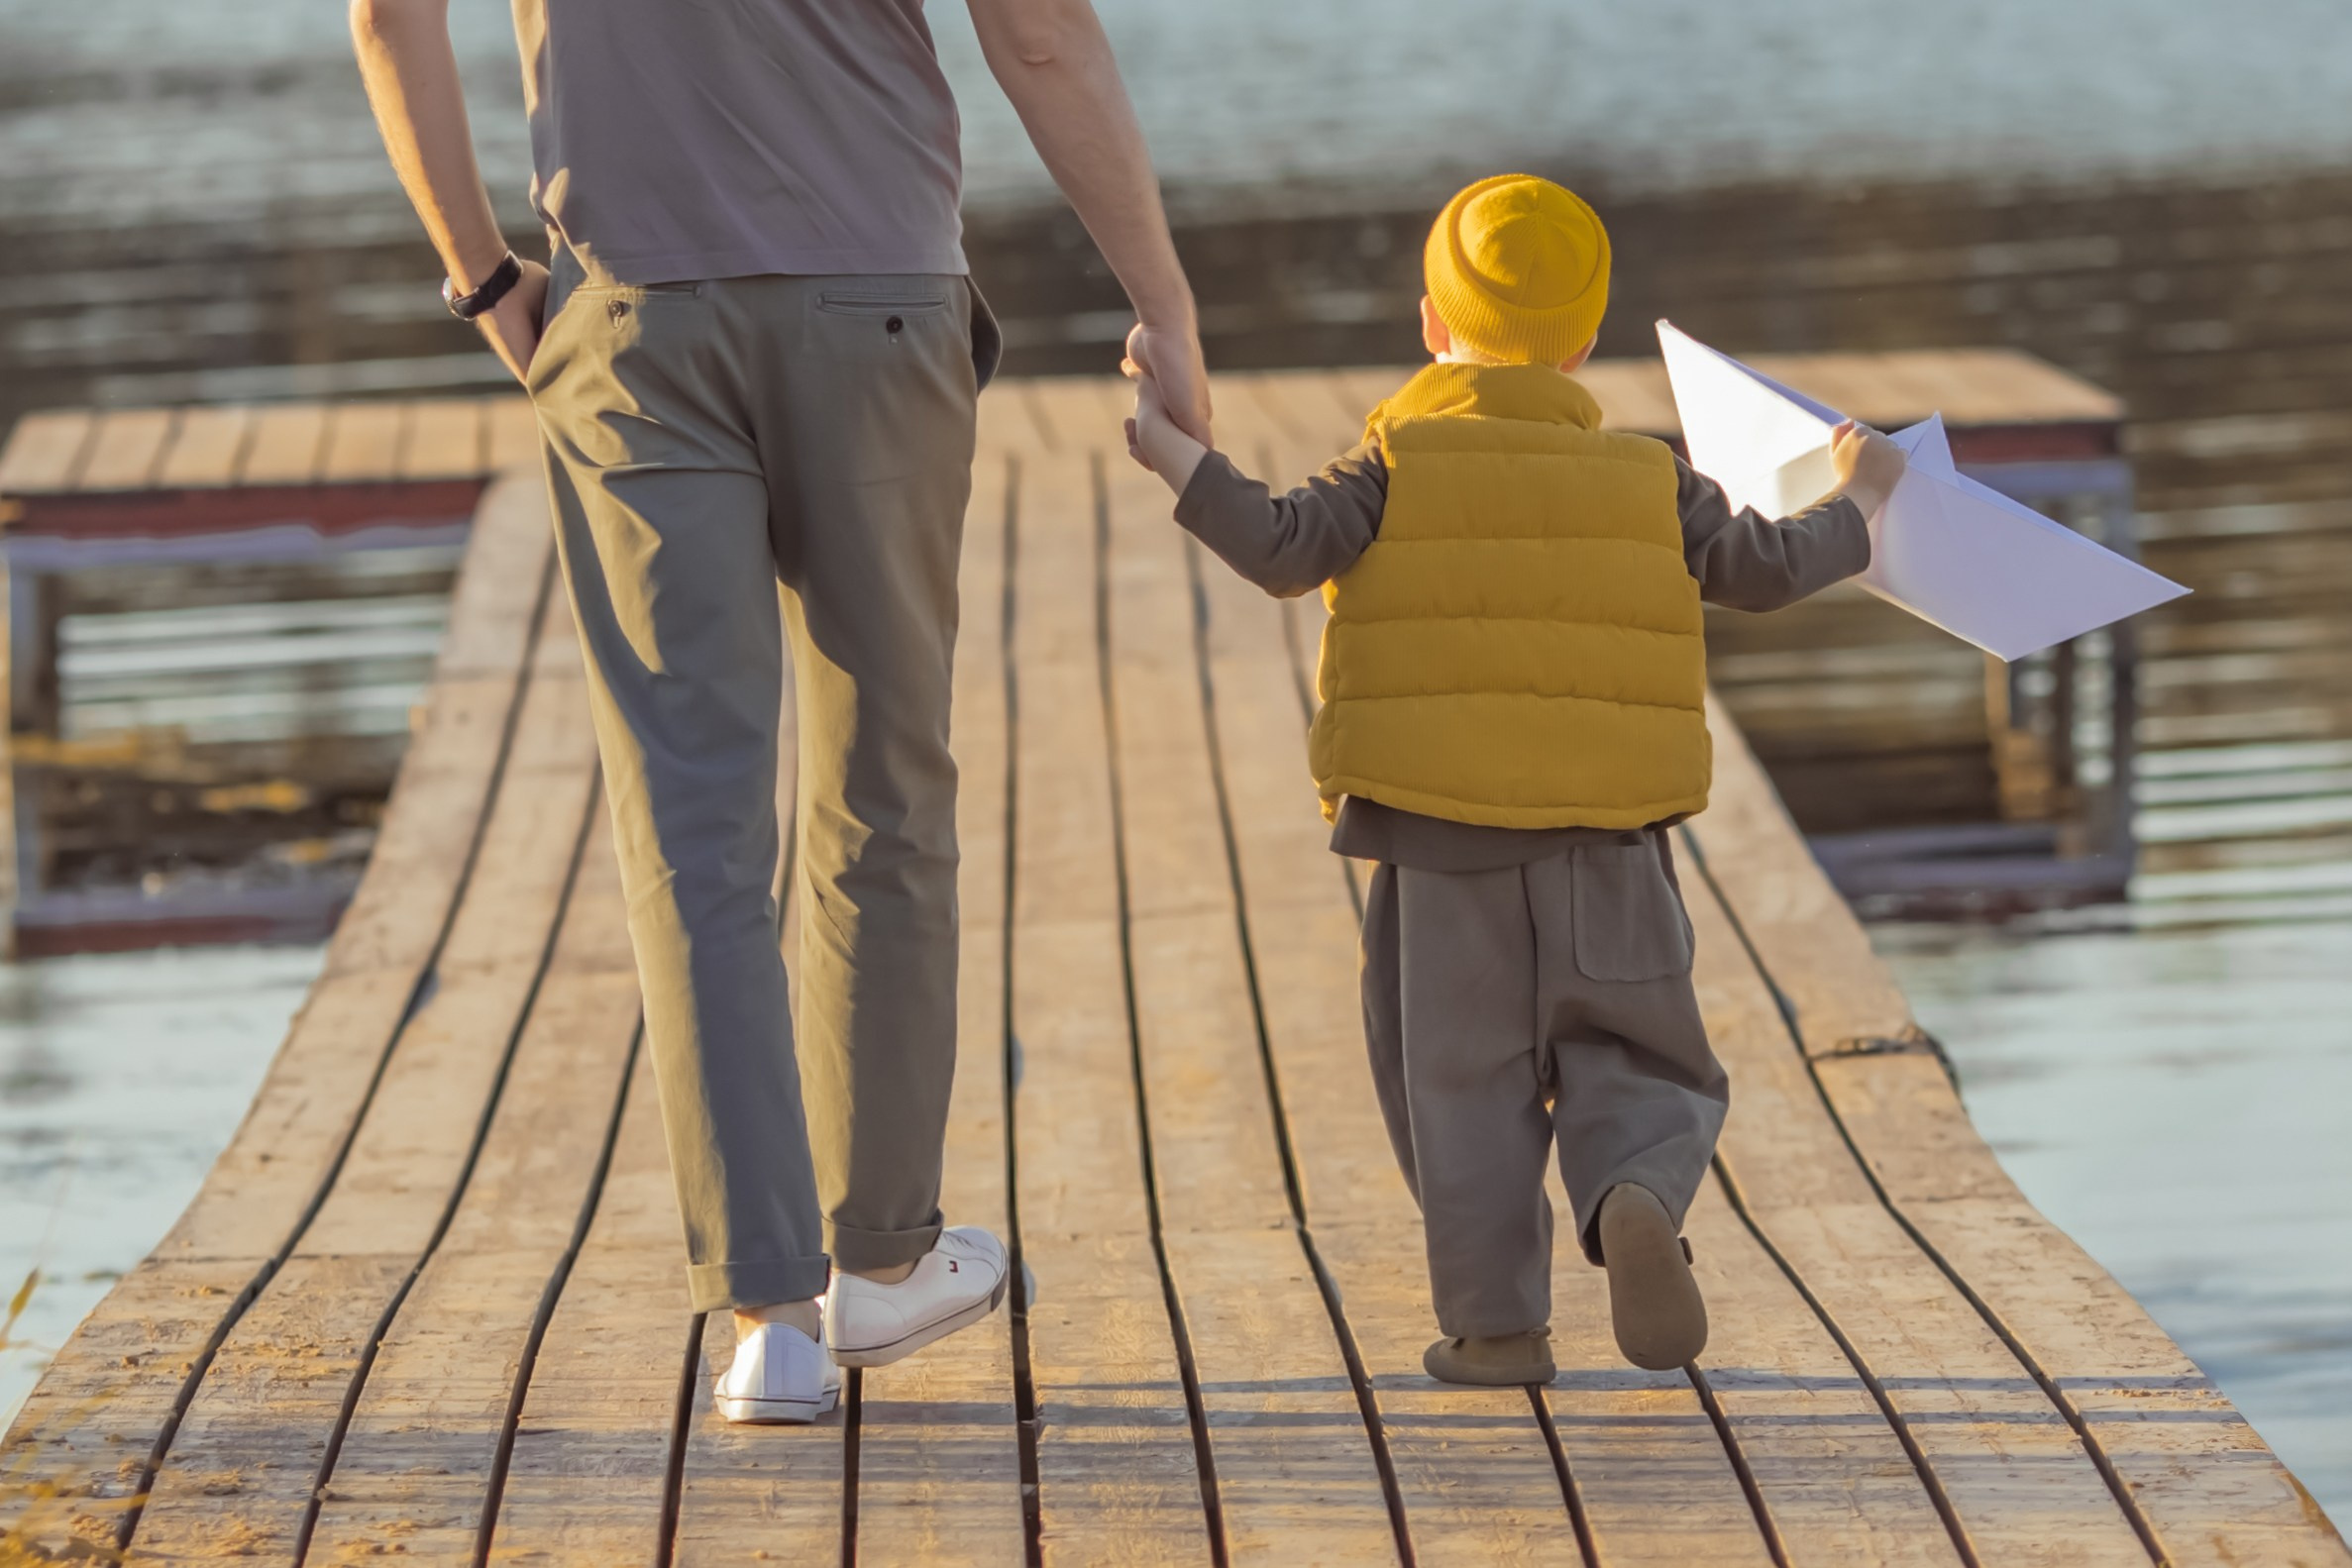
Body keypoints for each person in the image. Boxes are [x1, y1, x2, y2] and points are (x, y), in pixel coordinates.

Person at [352, 0, 1211, 1423]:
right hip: (878, 308)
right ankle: (878, 1260)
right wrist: (1162, 309)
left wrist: (481, 281)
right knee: (885, 788)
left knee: (693, 828)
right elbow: (1042, 35)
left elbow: (388, 15)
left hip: (632, 323)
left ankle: (769, 1321)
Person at [1125, 173, 1907, 1384]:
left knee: (1461, 1090)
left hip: (1438, 851)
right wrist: (1857, 501)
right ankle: (1634, 1187)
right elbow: (1764, 565)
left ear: (1433, 326)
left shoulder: (1391, 461)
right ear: (1584, 344)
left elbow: (1279, 546)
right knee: (1637, 1050)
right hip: (1611, 843)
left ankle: (1497, 1328)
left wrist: (1177, 451)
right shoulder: (1652, 481)